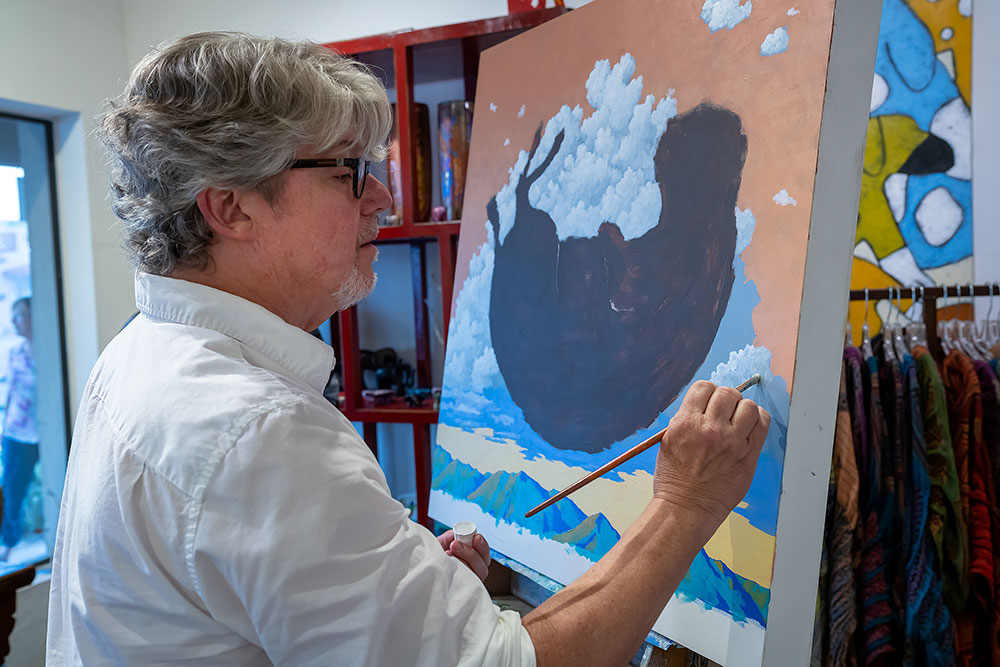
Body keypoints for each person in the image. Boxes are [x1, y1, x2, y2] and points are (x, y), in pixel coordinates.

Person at [46, 33, 770, 666]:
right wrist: (686, 503)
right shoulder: (257, 432)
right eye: (347, 173)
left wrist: (389, 595)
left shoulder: (140, 352)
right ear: (231, 206)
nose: (383, 198)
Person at [0, 297, 39, 562]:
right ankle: (9, 543)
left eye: (20, 315)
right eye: (13, 316)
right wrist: (3, 429)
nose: (15, 322)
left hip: (43, 432)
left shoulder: (47, 351)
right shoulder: (14, 353)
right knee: (12, 491)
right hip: (17, 433)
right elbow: (11, 393)